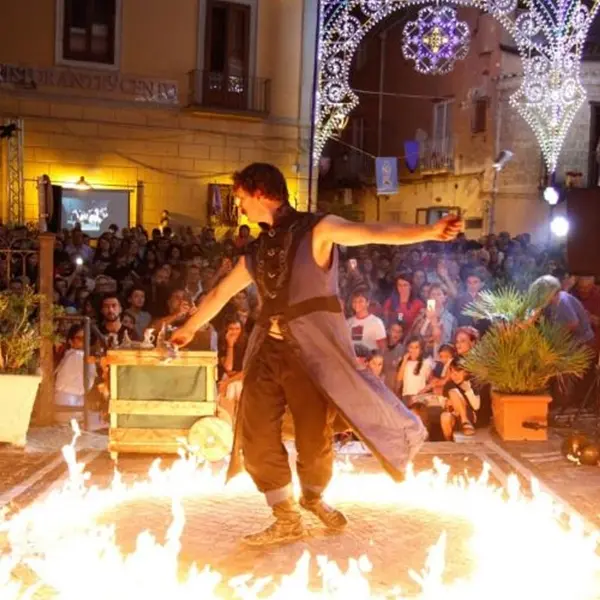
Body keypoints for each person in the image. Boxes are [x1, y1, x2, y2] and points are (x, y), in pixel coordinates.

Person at [170, 162, 462, 547]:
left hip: (309, 353)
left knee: (313, 436)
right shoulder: (256, 252)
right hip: (267, 352)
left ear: (260, 193)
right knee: (255, 431)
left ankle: (313, 497)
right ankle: (285, 514)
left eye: (240, 197)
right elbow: (220, 293)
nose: (238, 206)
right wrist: (188, 329)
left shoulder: (318, 230)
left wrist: (427, 230)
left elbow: (373, 232)